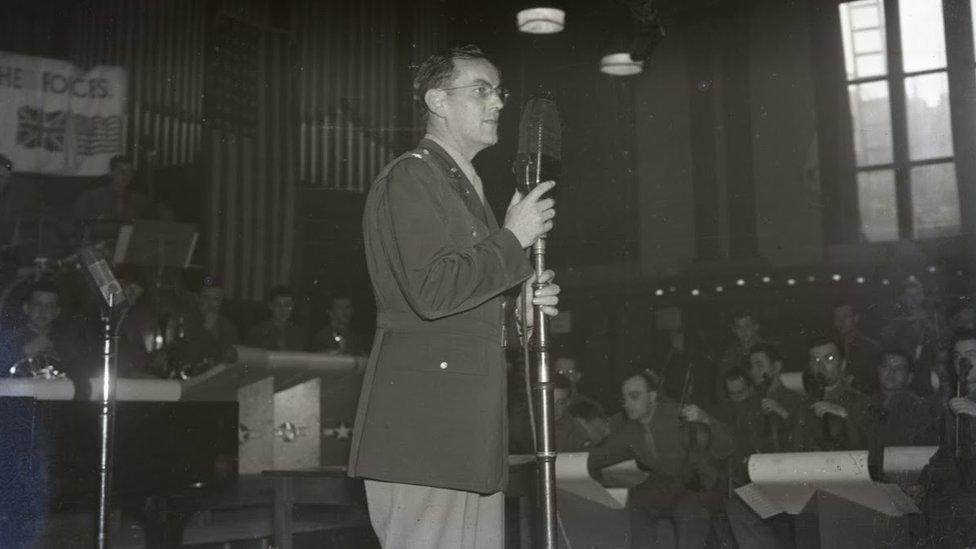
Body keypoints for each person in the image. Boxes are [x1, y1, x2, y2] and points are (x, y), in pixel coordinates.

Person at [346, 44, 560, 548]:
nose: (498, 103)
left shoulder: (464, 187)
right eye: (481, 91)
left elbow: (465, 315)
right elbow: (431, 292)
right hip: (426, 433)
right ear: (437, 100)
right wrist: (512, 238)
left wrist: (520, 313)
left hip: (465, 433)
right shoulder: (413, 175)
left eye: (499, 91)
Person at [588, 370, 734, 549]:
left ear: (652, 396)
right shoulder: (629, 431)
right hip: (672, 486)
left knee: (687, 511)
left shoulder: (680, 414)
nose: (627, 404)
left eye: (634, 396)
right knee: (637, 503)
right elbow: (597, 457)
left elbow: (728, 445)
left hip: (706, 485)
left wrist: (705, 418)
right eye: (624, 398)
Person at [914, 330, 976, 548]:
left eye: (971, 354)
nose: (964, 361)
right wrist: (923, 481)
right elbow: (946, 453)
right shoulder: (957, 399)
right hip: (956, 504)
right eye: (958, 356)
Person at [792, 336, 877, 453]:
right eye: (816, 360)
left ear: (842, 364)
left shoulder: (861, 402)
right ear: (810, 367)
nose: (821, 367)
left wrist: (844, 416)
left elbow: (869, 451)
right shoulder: (804, 404)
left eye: (829, 359)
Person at [0, 279, 89, 384]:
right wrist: (23, 352)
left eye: (49, 306)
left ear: (57, 312)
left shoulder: (67, 343)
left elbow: (82, 380)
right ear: (26, 308)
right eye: (37, 304)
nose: (43, 311)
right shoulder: (7, 338)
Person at [71, 155, 169, 243]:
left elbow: (157, 221)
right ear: (111, 173)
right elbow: (77, 225)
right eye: (121, 171)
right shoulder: (91, 197)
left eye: (129, 172)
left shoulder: (140, 201)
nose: (126, 175)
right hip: (99, 247)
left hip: (130, 248)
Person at [872, 350, 939, 448]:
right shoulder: (864, 404)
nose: (891, 373)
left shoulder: (921, 409)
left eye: (899, 369)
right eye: (886, 366)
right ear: (878, 370)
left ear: (909, 377)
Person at [833, 300, 882, 394]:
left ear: (856, 318)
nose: (840, 321)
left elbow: (876, 381)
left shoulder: (871, 347)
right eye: (837, 317)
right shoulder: (831, 346)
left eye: (845, 316)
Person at [247, 285, 307, 351]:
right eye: (278, 305)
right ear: (271, 306)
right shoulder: (257, 332)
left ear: (293, 307)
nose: (283, 310)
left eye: (287, 305)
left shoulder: (298, 333)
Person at [553, 373, 591, 452]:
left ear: (568, 403)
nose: (554, 408)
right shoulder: (524, 425)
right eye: (549, 401)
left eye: (560, 402)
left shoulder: (576, 432)